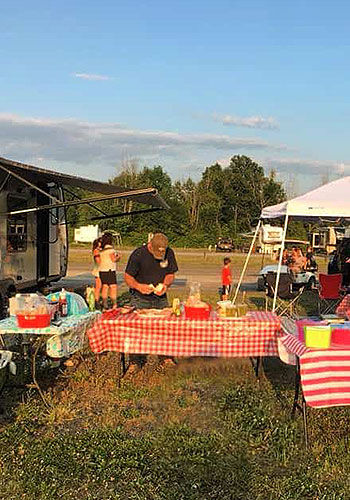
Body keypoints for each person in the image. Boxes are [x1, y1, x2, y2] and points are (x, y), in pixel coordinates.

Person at [124, 232, 178, 309]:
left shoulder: (169, 253)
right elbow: (128, 277)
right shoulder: (138, 254)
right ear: (150, 246)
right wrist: (138, 286)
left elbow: (170, 274)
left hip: (161, 300)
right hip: (140, 299)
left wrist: (165, 285)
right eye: (156, 253)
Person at [95, 232, 120, 310]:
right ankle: (114, 304)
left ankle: (105, 304)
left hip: (102, 270)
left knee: (105, 287)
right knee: (113, 287)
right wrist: (118, 257)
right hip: (110, 270)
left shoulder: (102, 250)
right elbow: (113, 259)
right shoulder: (111, 249)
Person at [92, 237, 102, 309]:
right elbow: (98, 260)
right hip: (98, 270)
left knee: (101, 286)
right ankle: (96, 301)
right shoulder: (96, 250)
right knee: (98, 286)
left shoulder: (101, 250)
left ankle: (97, 301)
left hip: (101, 269)